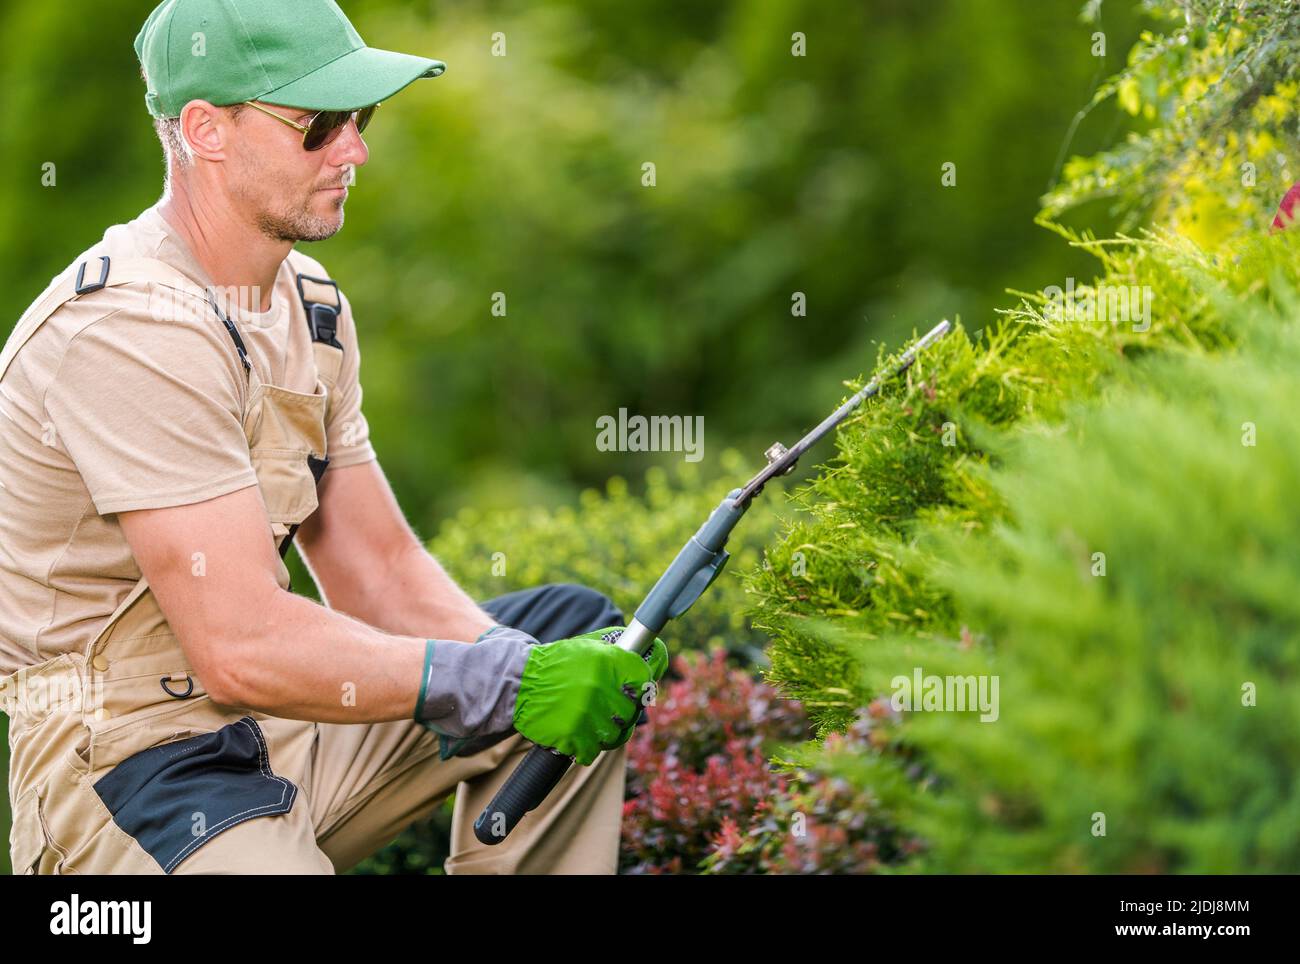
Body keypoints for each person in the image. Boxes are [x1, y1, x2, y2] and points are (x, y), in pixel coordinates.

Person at [0, 0, 666, 875]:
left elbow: (378, 570)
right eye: (317, 125)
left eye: (361, 118)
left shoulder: (309, 305)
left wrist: (526, 680)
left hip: (274, 722)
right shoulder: (128, 330)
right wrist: (502, 684)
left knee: (573, 636)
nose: (354, 150)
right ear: (205, 129)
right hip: (125, 759)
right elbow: (238, 644)